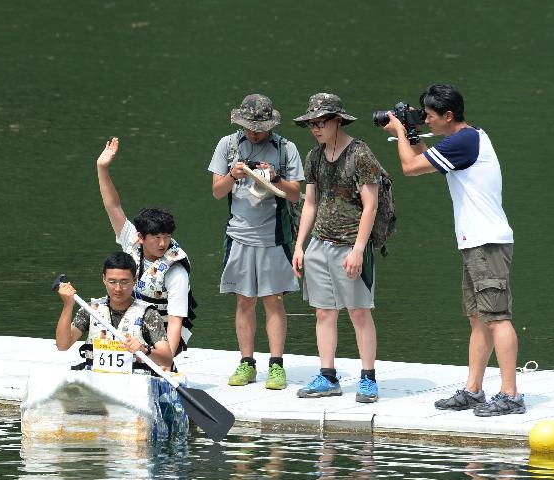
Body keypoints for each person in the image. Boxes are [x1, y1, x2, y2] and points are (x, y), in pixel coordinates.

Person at [382, 83, 525, 416]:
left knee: (498, 319)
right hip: (475, 242)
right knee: (478, 319)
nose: (426, 121)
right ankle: (474, 391)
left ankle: (511, 394)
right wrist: (409, 134)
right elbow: (421, 158)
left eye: (430, 117)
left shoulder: (464, 140)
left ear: (449, 116)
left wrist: (400, 133)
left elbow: (410, 167)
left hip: (487, 243)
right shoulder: (464, 139)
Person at [291, 93, 385, 403]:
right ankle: (327, 376)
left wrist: (359, 249)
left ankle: (368, 378)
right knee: (323, 313)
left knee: (359, 312)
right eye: (311, 124)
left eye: (321, 122)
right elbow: (310, 203)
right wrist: (300, 245)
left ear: (337, 121)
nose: (315, 128)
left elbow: (370, 206)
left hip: (350, 244)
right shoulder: (314, 156)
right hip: (319, 243)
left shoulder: (360, 154)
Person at [208, 94, 303, 390]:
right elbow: (216, 192)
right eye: (250, 127)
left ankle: (276, 366)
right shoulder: (228, 145)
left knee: (274, 300)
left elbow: (296, 194)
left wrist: (274, 177)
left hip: (275, 237)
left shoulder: (286, 148)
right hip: (238, 236)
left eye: (260, 128)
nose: (255, 133)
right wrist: (234, 175)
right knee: (244, 299)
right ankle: (246, 363)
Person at [95, 137, 196, 359]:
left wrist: (167, 359)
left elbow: (176, 319)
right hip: (130, 321)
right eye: (156, 237)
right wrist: (102, 168)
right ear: (141, 237)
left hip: (160, 334)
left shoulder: (175, 270)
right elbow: (113, 206)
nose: (162, 243)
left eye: (167, 236)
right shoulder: (131, 238)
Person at [55, 251, 173, 373]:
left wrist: (144, 350)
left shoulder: (148, 314)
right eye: (112, 282)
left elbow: (167, 359)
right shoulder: (90, 309)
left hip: (134, 383)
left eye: (124, 282)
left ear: (135, 280)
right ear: (104, 279)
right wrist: (68, 305)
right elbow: (62, 345)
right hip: (96, 381)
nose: (117, 288)